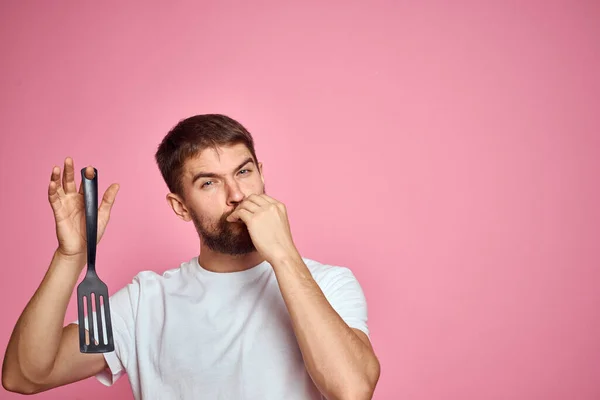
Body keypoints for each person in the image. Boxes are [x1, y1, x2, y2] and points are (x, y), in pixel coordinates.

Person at [2, 114, 380, 399]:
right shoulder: (144, 303)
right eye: (209, 182)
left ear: (261, 173)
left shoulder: (328, 283)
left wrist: (284, 255)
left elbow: (351, 390)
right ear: (180, 206)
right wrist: (70, 257)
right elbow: (25, 375)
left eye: (244, 172)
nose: (237, 195)